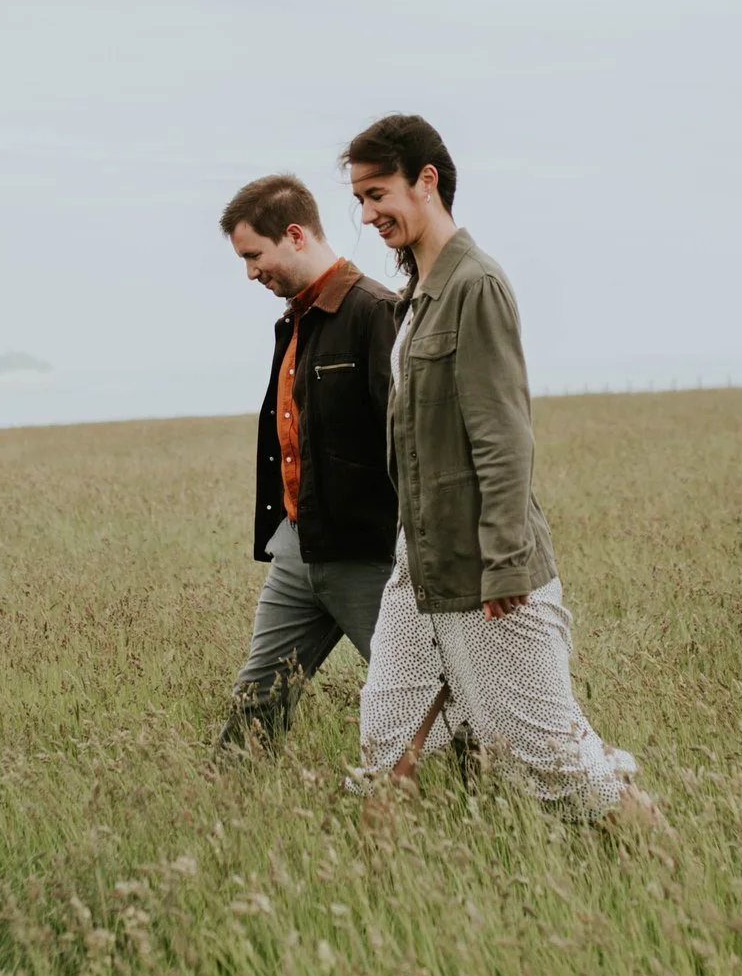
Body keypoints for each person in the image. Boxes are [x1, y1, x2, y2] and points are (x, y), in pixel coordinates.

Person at [341, 115, 659, 826]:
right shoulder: (416, 295)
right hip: (417, 563)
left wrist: (507, 562)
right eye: (358, 199)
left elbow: (502, 435)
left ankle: (676, 874)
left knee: (556, 766)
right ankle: (374, 905)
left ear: (428, 180)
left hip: (483, 566)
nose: (367, 214)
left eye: (378, 193)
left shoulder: (474, 285)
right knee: (386, 741)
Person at [215, 173, 403, 750]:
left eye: (254, 256)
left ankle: (478, 805)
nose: (250, 273)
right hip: (298, 548)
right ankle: (227, 813)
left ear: (294, 235)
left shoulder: (377, 312)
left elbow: (409, 443)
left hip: (369, 556)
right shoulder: (294, 321)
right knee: (255, 705)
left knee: (423, 697)